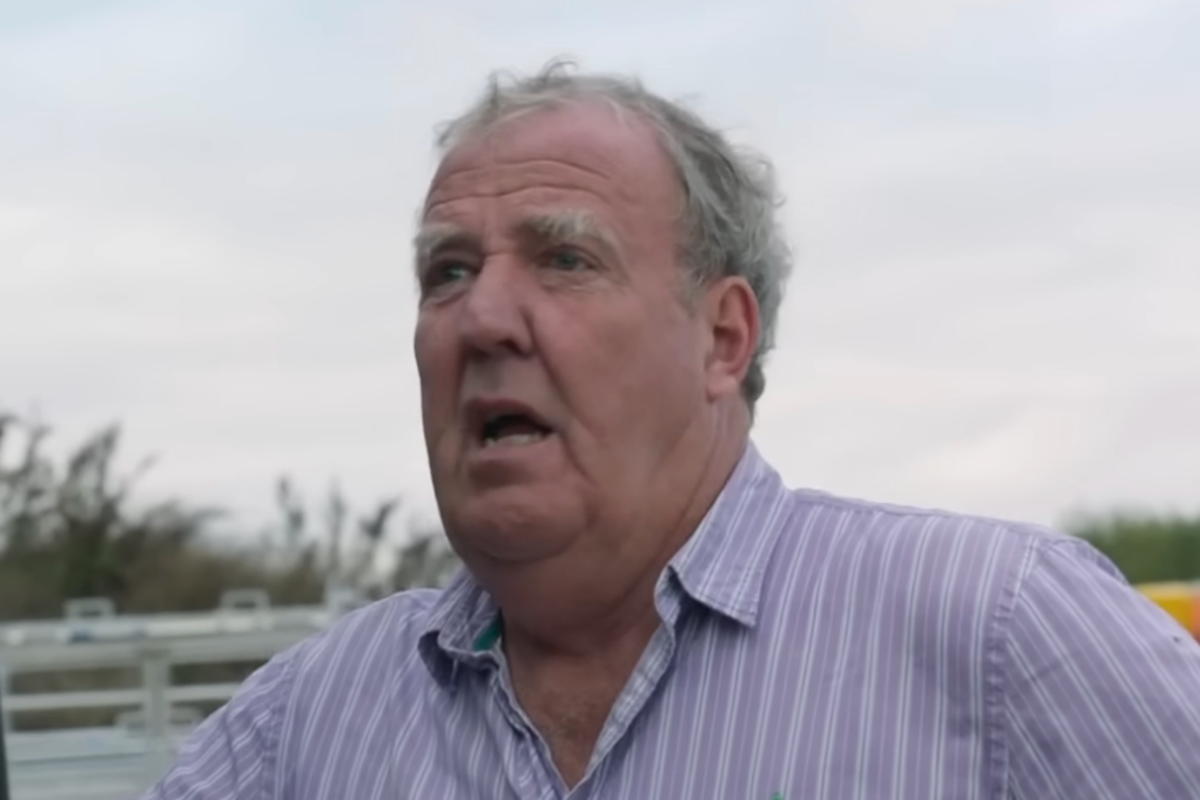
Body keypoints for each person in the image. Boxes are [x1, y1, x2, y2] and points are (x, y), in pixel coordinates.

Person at [143, 63, 1200, 799]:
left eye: (564, 257)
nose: (480, 316)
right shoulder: (306, 724)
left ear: (723, 337)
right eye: (448, 271)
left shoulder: (1005, 635)